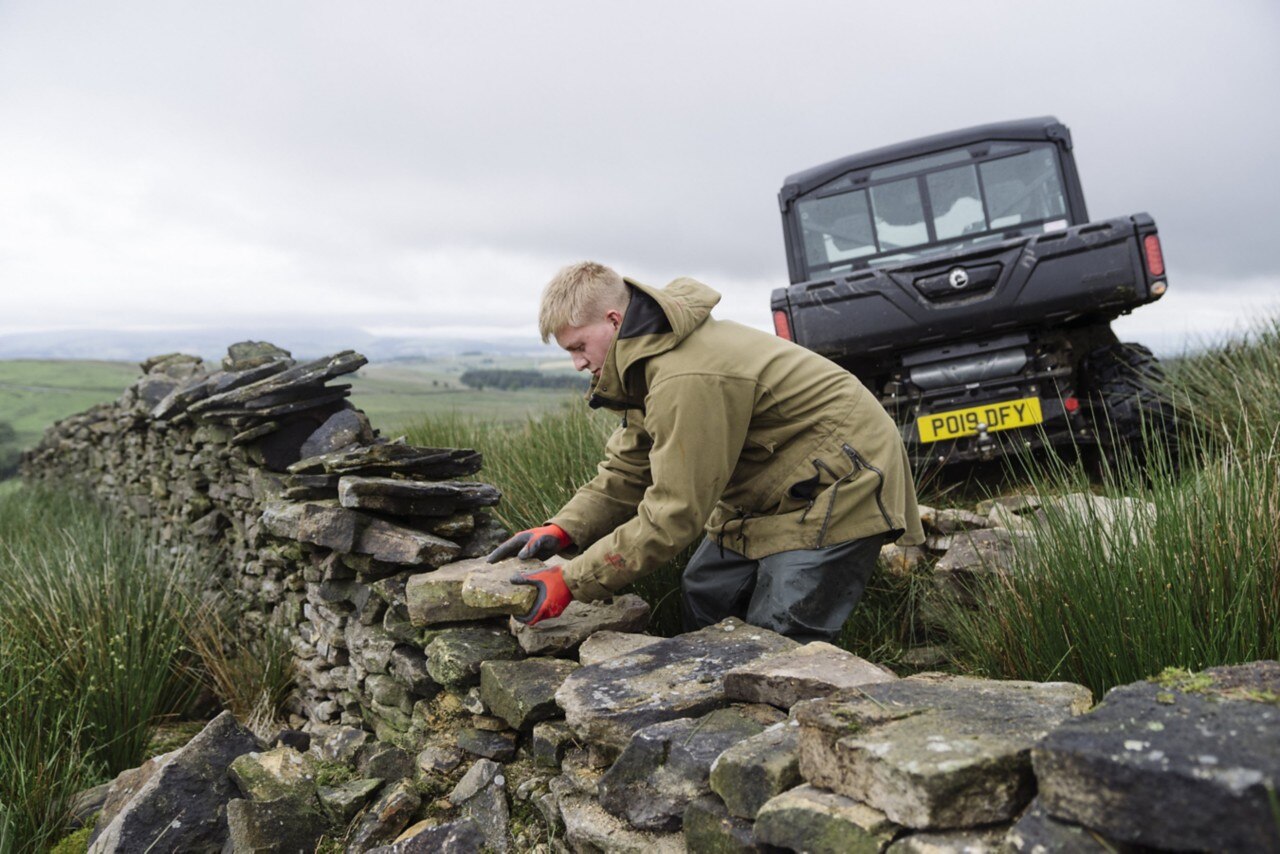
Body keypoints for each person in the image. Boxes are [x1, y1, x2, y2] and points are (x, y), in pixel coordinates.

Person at [489, 261, 924, 642]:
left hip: (840, 480)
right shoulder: (645, 363)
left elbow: (673, 515)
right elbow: (627, 469)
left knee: (779, 633)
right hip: (771, 481)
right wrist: (564, 528)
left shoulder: (685, 377)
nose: (578, 364)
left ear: (614, 319)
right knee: (706, 592)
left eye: (579, 347)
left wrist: (572, 580)